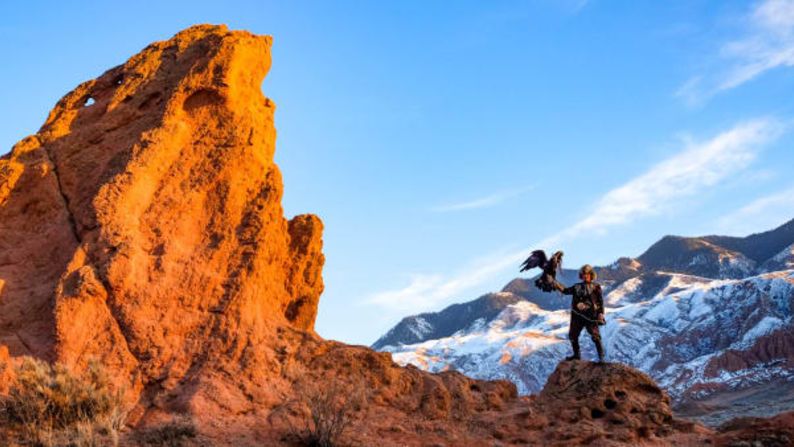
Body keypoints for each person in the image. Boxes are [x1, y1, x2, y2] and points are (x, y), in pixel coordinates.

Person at [554, 264, 605, 362]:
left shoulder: (596, 287)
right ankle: (576, 356)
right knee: (573, 335)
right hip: (577, 316)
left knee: (595, 336)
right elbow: (565, 291)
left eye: (587, 274)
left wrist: (601, 313)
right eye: (583, 274)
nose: (585, 276)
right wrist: (555, 283)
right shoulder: (577, 287)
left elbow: (600, 301)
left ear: (591, 274)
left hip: (591, 315)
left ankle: (601, 358)